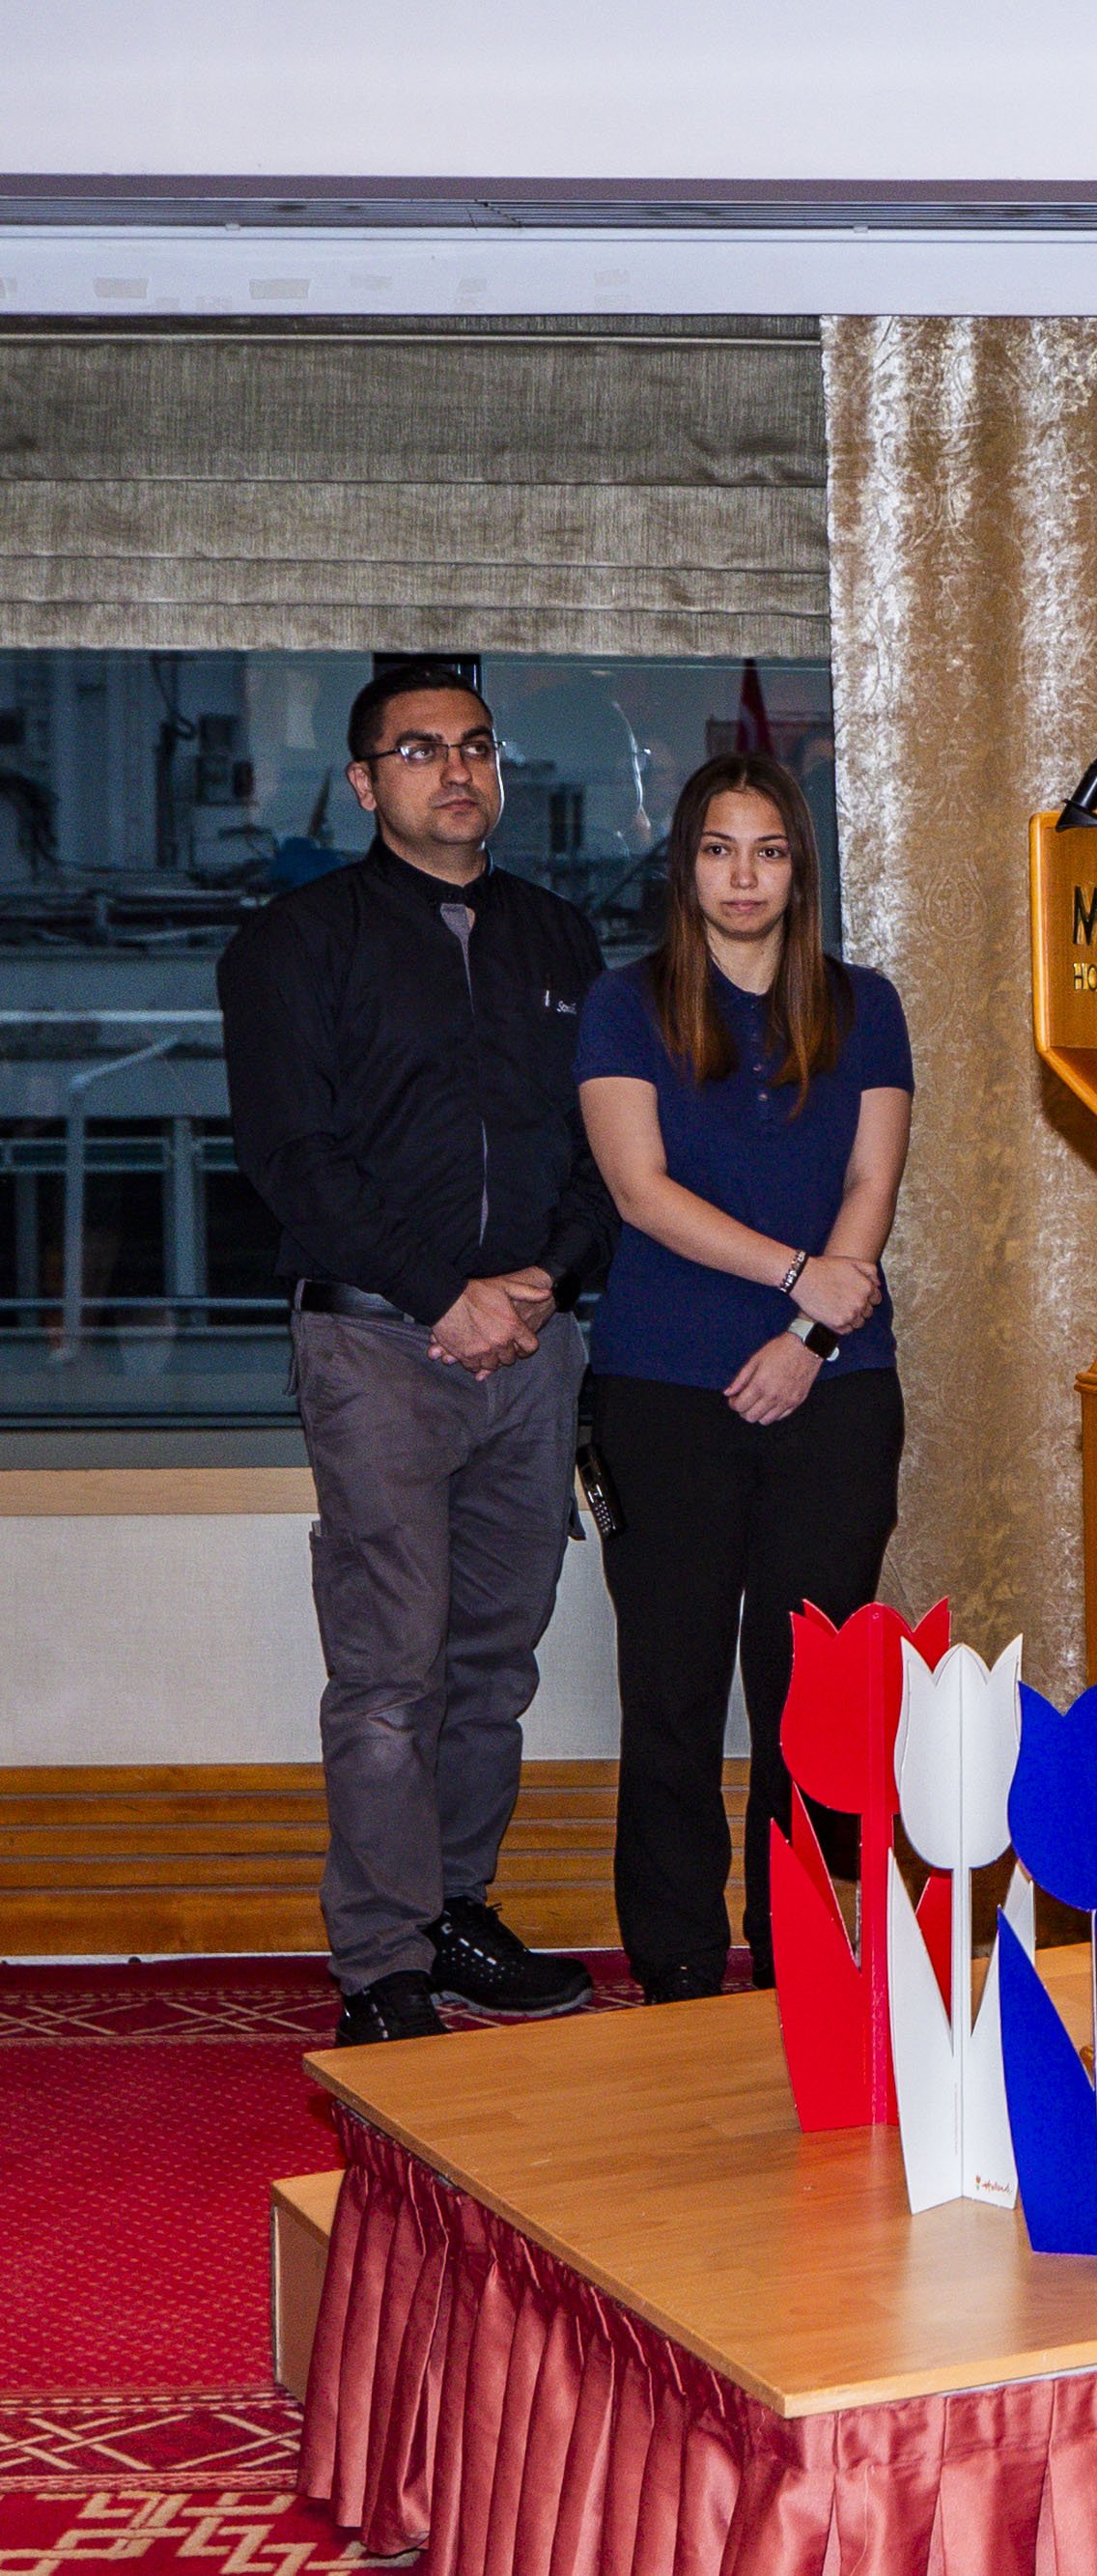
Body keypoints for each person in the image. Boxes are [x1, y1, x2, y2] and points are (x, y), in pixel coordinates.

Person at [218, 660, 616, 2047]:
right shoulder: (295, 944)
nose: (457, 771)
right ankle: (382, 1963)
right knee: (392, 1672)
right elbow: (293, 1158)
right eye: (421, 749)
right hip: (378, 1347)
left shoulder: (559, 938)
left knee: (494, 1664)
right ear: (363, 780)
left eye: (477, 746)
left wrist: (546, 1281)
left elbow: (606, 1146)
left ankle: (455, 1910)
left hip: (534, 1349)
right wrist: (446, 1295)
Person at [576, 753, 913, 2003]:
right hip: (665, 1389)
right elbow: (639, 1191)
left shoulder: (865, 1004)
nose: (744, 876)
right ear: (686, 866)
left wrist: (809, 1338)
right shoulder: (625, 1005)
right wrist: (796, 1279)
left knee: (807, 1697)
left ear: (799, 870)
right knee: (670, 1691)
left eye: (769, 851)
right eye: (720, 850)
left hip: (837, 1391)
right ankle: (673, 1962)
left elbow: (871, 1184)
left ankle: (796, 1958)